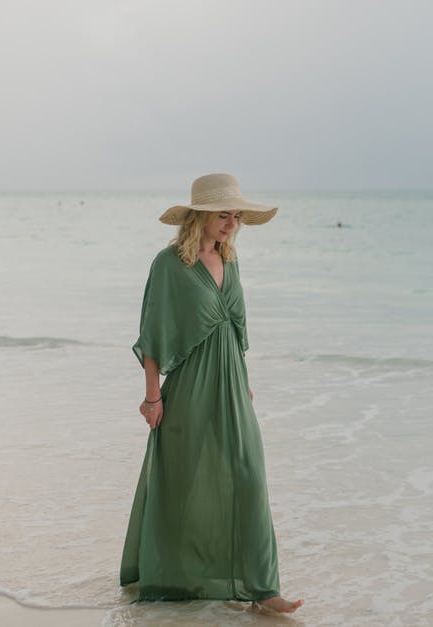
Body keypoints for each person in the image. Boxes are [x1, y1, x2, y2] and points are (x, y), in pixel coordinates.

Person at [119, 173, 303, 614]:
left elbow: (235, 330)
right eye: (224, 214)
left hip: (232, 384)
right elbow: (153, 334)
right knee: (182, 481)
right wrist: (152, 397)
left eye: (236, 215)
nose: (232, 223)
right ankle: (169, 576)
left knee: (248, 475)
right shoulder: (169, 265)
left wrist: (243, 380)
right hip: (188, 387)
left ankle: (263, 588)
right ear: (199, 215)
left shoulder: (231, 260)